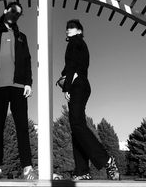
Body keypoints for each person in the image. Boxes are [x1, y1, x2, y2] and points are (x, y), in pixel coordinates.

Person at [0, 1, 37, 180]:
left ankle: (27, 168)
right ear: (5, 11)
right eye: (13, 11)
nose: (15, 15)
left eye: (19, 13)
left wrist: (29, 83)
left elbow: (27, 60)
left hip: (18, 87)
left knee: (22, 128)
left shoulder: (22, 36)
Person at [59, 19, 120, 180]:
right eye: (67, 28)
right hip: (80, 84)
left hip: (77, 85)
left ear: (79, 30)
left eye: (71, 27)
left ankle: (107, 160)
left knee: (77, 125)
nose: (68, 30)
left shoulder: (75, 41)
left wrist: (66, 87)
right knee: (76, 128)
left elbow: (72, 65)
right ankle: (82, 171)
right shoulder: (78, 43)